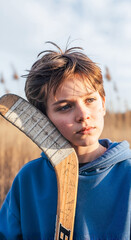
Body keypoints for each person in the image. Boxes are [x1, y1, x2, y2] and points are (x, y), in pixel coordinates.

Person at [0, 41, 131, 240]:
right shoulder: (29, 179)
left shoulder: (128, 174)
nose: (83, 115)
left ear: (103, 104)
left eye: (90, 100)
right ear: (42, 120)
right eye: (65, 107)